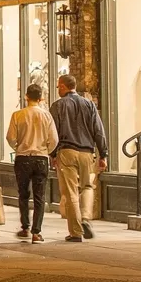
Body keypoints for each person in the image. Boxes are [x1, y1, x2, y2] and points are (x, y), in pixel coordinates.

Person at [50, 74, 110, 242]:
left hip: (66, 151)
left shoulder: (57, 106)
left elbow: (53, 133)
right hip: (86, 153)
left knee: (71, 193)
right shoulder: (89, 104)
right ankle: (85, 218)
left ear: (63, 86)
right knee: (87, 187)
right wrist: (103, 154)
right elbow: (99, 130)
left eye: (58, 87)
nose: (58, 90)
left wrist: (53, 154)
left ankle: (76, 232)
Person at [6, 82, 60, 242]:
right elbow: (54, 139)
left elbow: (10, 137)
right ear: (41, 98)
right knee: (39, 196)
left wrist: (17, 146)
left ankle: (25, 227)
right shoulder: (46, 115)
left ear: (26, 97)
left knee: (23, 194)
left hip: (23, 157)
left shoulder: (18, 115)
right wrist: (47, 150)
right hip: (41, 158)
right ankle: (36, 232)